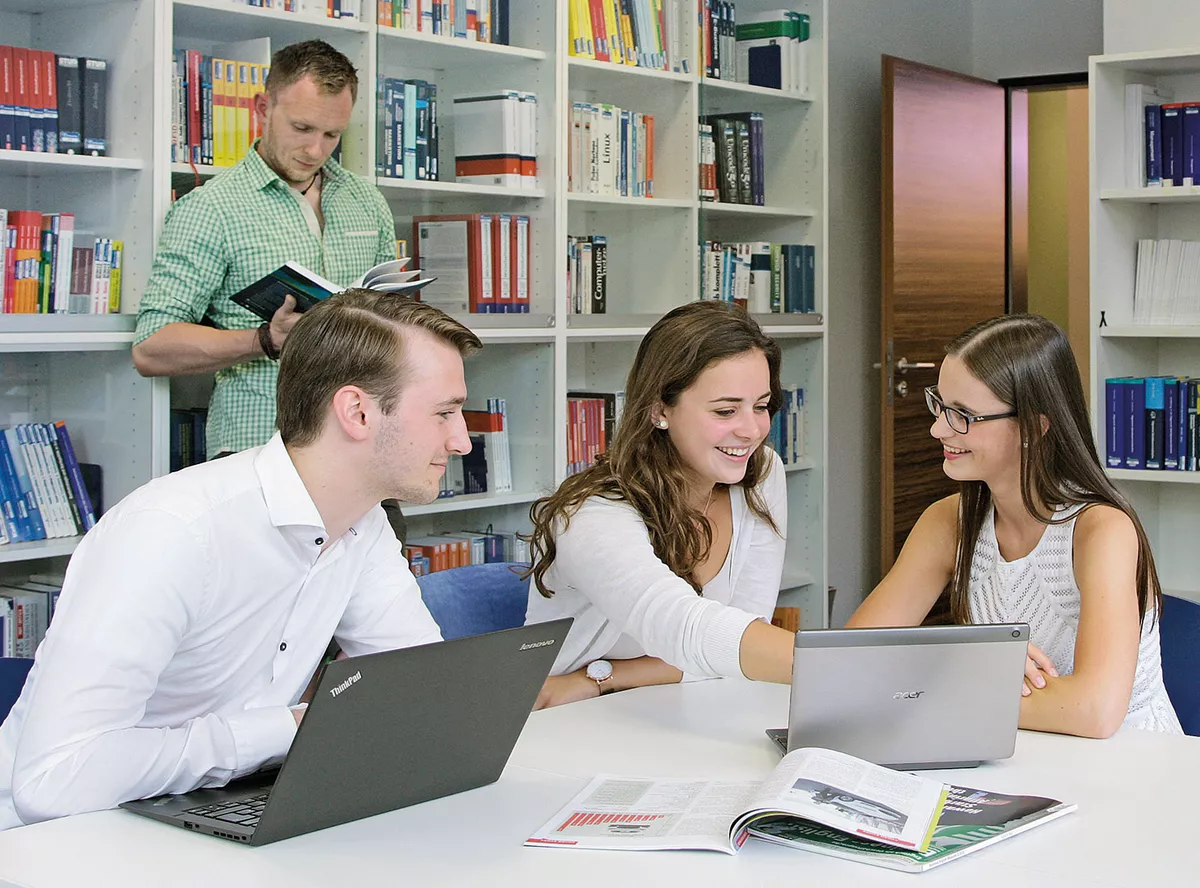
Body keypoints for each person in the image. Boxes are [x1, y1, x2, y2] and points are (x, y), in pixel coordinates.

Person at [0, 291, 482, 829]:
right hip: (53, 842)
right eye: (445, 413)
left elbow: (423, 698)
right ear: (357, 412)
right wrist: (291, 728)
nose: (462, 441)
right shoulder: (173, 532)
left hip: (201, 812)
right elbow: (54, 782)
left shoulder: (362, 524)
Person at [847, 314, 1181, 738]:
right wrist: (961, 664)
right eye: (940, 405)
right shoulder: (948, 520)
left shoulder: (1101, 530)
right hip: (1016, 749)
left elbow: (1094, 712)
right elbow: (850, 660)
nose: (937, 428)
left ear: (1033, 427)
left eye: (962, 414)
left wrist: (949, 680)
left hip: (1131, 765)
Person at [132, 39, 397, 462]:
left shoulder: (366, 201)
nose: (316, 150)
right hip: (261, 450)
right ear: (262, 109)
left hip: (366, 450)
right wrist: (265, 339)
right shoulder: (211, 208)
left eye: (332, 134)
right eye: (302, 128)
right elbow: (151, 348)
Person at [524, 301, 797, 709]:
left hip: (680, 705)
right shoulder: (592, 514)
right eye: (725, 410)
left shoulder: (760, 474)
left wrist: (601, 678)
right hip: (566, 722)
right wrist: (839, 669)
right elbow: (683, 628)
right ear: (659, 410)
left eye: (760, 406)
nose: (752, 430)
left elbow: (737, 639)